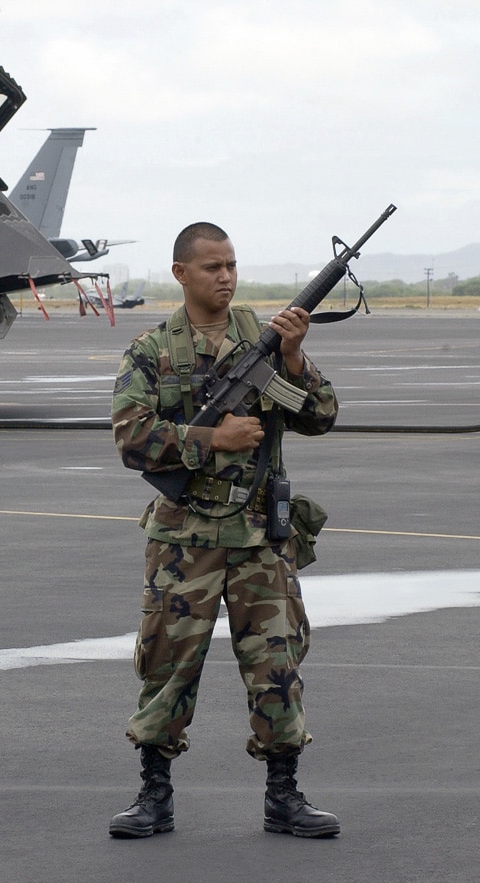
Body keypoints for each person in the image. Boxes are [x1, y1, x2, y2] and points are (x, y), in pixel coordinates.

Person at [108, 222, 340, 840]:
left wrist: (292, 359)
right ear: (181, 273)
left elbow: (321, 416)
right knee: (168, 665)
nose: (226, 276)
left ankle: (283, 793)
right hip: (184, 542)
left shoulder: (265, 343)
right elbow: (132, 440)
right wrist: (214, 439)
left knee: (277, 665)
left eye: (232, 265)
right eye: (212, 267)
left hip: (261, 538)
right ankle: (153, 793)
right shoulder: (151, 351)